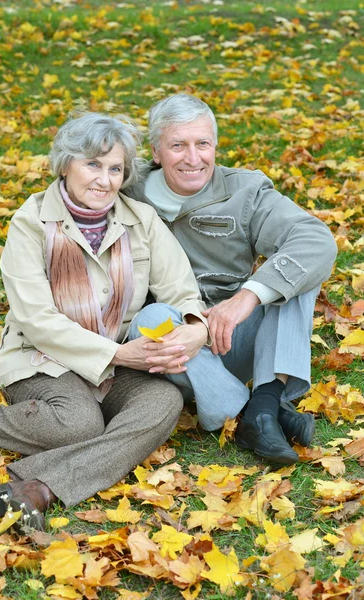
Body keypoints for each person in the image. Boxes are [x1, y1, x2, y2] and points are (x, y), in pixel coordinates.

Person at [0, 112, 233, 530]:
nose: (104, 180)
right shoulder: (31, 222)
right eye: (92, 164)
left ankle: (36, 489)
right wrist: (120, 353)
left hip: (118, 360)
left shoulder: (140, 221)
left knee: (164, 403)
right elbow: (36, 319)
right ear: (65, 164)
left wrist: (197, 327)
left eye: (115, 169)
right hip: (42, 357)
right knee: (78, 423)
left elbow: (181, 292)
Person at [126, 93, 338, 465]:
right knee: (150, 319)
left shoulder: (245, 191)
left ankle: (264, 400)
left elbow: (316, 240)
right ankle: (258, 412)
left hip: (231, 336)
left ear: (215, 146)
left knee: (297, 278)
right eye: (178, 145)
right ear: (156, 152)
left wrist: (247, 297)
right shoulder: (127, 191)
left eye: (203, 144)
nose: (194, 158)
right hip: (172, 352)